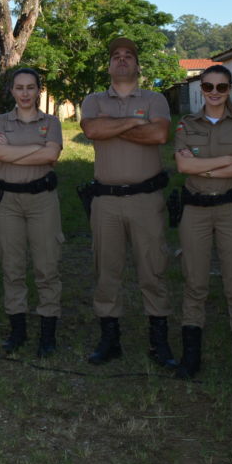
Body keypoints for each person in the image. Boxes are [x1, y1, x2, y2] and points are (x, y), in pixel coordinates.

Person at [79, 37, 176, 368]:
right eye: (116, 56)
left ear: (137, 66)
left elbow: (159, 135)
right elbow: (91, 129)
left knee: (153, 268)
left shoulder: (155, 99)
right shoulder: (93, 100)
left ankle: (158, 342)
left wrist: (113, 128)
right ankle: (110, 340)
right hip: (105, 201)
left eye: (128, 56)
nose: (122, 60)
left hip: (146, 200)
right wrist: (137, 122)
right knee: (106, 271)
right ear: (108, 66)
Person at [173, 64, 232, 385]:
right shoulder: (186, 125)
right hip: (195, 211)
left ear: (230, 89)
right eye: (207, 87)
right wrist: (226, 161)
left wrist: (204, 169)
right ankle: (191, 357)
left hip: (231, 210)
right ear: (201, 88)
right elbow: (184, 165)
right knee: (194, 283)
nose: (213, 93)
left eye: (220, 87)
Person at [0, 68, 64, 356]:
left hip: (42, 201)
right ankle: (17, 331)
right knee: (13, 267)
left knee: (47, 267)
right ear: (12, 91)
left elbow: (51, 155)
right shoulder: (0, 121)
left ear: (38, 90)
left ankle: (47, 333)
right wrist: (36, 148)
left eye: (30, 87)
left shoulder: (52, 122)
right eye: (19, 88)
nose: (24, 93)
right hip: (7, 201)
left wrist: (16, 151)